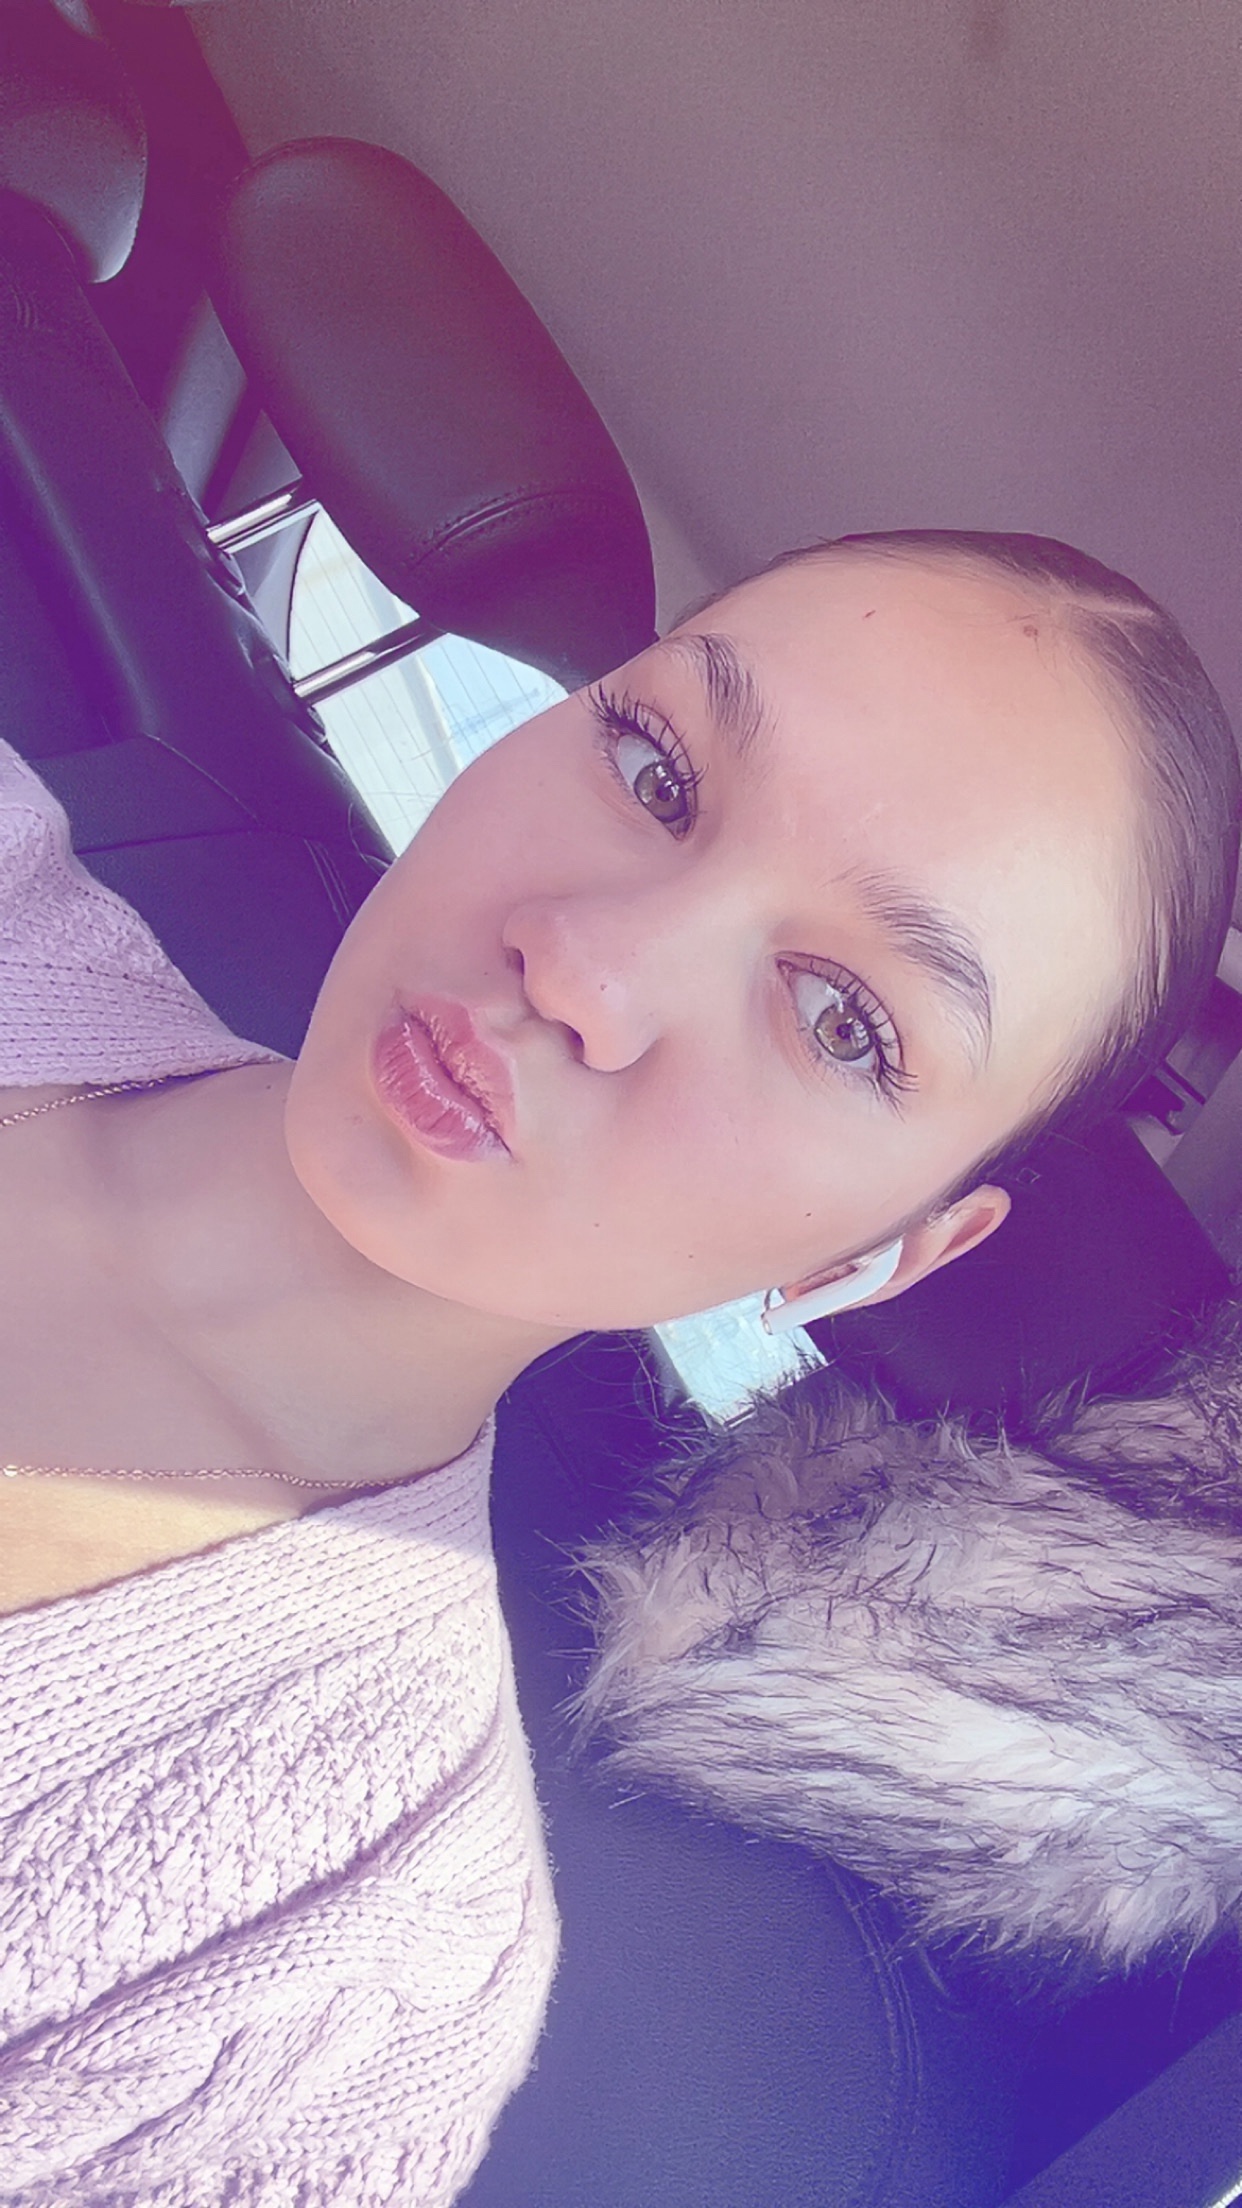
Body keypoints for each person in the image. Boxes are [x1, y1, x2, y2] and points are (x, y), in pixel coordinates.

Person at [0, 527, 1236, 2204]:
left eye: (843, 1021)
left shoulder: (341, 1969)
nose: (585, 969)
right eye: (655, 769)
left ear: (873, 1262)